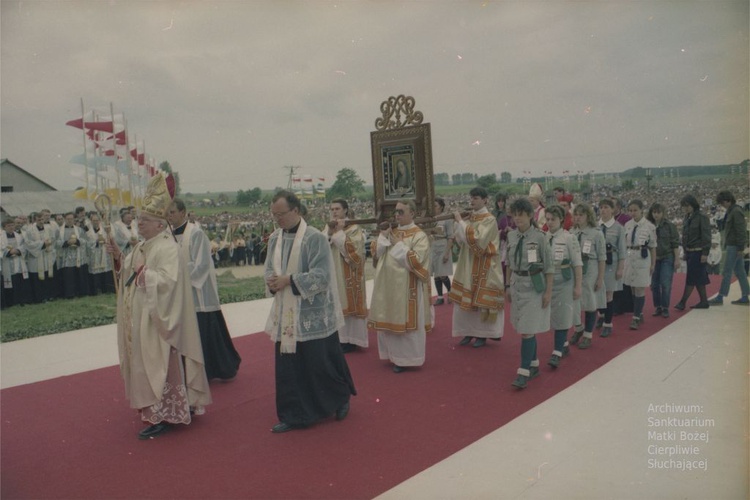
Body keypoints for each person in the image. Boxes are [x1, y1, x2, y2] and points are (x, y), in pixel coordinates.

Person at [109, 173, 211, 440]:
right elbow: (129, 272)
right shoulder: (145, 244)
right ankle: (157, 409)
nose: (138, 224)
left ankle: (167, 411)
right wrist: (120, 259)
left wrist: (146, 276)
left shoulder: (167, 248)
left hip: (160, 320)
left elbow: (169, 283)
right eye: (139, 219)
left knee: (161, 363)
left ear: (158, 224)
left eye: (144, 220)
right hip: (144, 317)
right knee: (147, 363)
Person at [264, 190, 356, 433]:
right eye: (274, 215)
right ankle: (294, 414)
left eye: (281, 214)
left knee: (319, 363)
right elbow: (268, 269)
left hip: (313, 313)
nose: (277, 220)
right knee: (288, 365)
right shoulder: (275, 238)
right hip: (287, 312)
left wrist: (289, 280)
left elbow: (323, 276)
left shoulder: (313, 238)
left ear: (296, 211)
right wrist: (272, 281)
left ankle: (339, 398)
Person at [168, 198, 242, 381]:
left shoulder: (195, 233)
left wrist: (179, 277)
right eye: (167, 213)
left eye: (172, 212)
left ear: (183, 213)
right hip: (178, 292)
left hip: (197, 293)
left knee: (204, 332)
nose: (169, 216)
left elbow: (201, 264)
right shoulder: (168, 235)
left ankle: (213, 370)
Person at [368, 200, 432, 373]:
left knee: (405, 324)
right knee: (389, 318)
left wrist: (398, 244)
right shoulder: (391, 232)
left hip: (406, 288)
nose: (397, 215)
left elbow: (417, 262)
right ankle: (392, 355)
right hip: (387, 286)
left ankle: (407, 359)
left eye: (401, 212)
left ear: (413, 214)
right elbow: (376, 253)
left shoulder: (419, 236)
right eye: (396, 212)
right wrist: (383, 236)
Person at [506, 198, 553, 389]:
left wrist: (548, 292)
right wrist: (508, 286)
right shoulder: (511, 236)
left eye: (522, 215)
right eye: (515, 215)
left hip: (534, 286)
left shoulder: (540, 238)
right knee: (526, 327)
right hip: (517, 284)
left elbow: (549, 267)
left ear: (531, 216)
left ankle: (523, 372)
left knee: (526, 330)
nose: (518, 219)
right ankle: (533, 365)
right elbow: (508, 263)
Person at [449, 187, 504, 348]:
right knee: (466, 299)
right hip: (468, 263)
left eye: (476, 198)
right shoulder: (471, 217)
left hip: (485, 264)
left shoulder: (489, 219)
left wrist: (460, 222)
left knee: (482, 301)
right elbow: (461, 240)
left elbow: (479, 242)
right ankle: (469, 331)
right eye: (471, 197)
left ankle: (483, 334)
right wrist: (459, 225)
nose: (472, 201)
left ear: (485, 200)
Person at [327, 198, 369, 353]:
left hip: (349, 275)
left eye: (337, 209)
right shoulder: (328, 227)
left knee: (349, 305)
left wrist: (338, 234)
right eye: (332, 209)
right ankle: (339, 338)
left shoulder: (353, 229)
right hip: (333, 274)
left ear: (345, 210)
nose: (334, 212)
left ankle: (352, 340)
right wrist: (329, 234)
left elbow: (355, 255)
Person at [544, 205, 582, 366]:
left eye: (553, 219)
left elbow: (577, 263)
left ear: (561, 219)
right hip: (548, 282)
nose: (550, 222)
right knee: (552, 316)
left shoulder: (569, 238)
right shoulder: (543, 237)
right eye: (547, 219)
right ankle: (564, 344)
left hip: (564, 281)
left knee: (563, 315)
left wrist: (578, 286)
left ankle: (557, 351)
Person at [569, 203, 606, 350]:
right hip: (574, 271)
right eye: (576, 214)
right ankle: (578, 329)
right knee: (574, 303)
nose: (578, 217)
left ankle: (588, 334)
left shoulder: (596, 233)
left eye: (581, 215)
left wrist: (600, 278)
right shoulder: (571, 233)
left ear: (588, 216)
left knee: (590, 303)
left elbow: (602, 257)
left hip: (590, 269)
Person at [708, 191, 749, 305]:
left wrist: (741, 247)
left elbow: (741, 231)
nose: (722, 205)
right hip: (734, 245)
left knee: (727, 271)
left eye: (722, 202)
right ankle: (745, 296)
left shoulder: (735, 212)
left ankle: (720, 297)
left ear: (728, 200)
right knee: (740, 271)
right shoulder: (733, 211)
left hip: (735, 246)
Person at [622, 200, 657, 329]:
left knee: (639, 287)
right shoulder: (627, 225)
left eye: (635, 210)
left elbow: (653, 246)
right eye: (630, 210)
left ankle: (635, 317)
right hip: (630, 256)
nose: (632, 213)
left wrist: (653, 264)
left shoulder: (649, 226)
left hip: (642, 256)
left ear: (642, 210)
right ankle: (639, 312)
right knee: (632, 286)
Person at [674, 194, 712, 310]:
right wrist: (685, 251)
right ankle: (704, 301)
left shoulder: (702, 217)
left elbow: (706, 236)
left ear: (693, 205)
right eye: (683, 206)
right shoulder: (687, 217)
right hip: (690, 252)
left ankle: (682, 302)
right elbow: (685, 236)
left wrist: (705, 253)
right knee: (698, 278)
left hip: (698, 251)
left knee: (691, 278)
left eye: (687, 206)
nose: (685, 208)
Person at [595, 199, 627, 337]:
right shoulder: (595, 226)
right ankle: (601, 315)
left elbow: (622, 250)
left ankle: (608, 324)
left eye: (606, 207)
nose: (603, 210)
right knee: (597, 292)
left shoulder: (618, 227)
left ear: (612, 210)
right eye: (601, 207)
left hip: (611, 263)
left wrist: (620, 268)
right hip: (596, 263)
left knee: (608, 294)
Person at [646, 203, 680, 317]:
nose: (656, 215)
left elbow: (675, 243)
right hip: (653, 258)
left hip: (667, 256)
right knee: (654, 284)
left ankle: (665, 307)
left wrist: (677, 259)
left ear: (663, 213)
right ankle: (658, 306)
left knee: (665, 283)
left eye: (658, 212)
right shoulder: (648, 225)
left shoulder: (670, 226)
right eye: (654, 212)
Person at [23, 212, 57, 303]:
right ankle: (39, 298)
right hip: (36, 258)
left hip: (47, 256)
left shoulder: (49, 228)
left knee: (47, 277)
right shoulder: (30, 230)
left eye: (42, 219)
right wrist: (42, 244)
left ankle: (49, 295)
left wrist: (49, 245)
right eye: (39, 220)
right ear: (35, 220)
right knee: (38, 279)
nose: (41, 221)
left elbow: (53, 239)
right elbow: (28, 244)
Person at [56, 212, 90, 298]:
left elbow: (85, 240)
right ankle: (69, 294)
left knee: (79, 275)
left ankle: (80, 292)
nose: (70, 221)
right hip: (66, 257)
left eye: (71, 219)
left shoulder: (79, 229)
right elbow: (56, 242)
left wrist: (77, 241)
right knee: (69, 276)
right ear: (64, 219)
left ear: (74, 219)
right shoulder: (59, 230)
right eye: (68, 219)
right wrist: (67, 242)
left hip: (78, 256)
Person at [1, 217, 32, 308]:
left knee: (19, 281)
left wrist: (18, 251)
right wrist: (9, 252)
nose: (11, 227)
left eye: (12, 225)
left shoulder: (19, 236)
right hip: (7, 262)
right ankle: (11, 302)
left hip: (18, 261)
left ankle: (20, 300)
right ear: (4, 227)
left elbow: (24, 246)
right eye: (8, 226)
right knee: (9, 282)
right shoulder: (1, 237)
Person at [431, 197, 454, 306]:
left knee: (442, 274)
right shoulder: (430, 219)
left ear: (441, 207)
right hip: (433, 246)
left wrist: (447, 252)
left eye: (435, 206)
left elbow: (450, 237)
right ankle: (440, 297)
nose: (433, 208)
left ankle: (450, 292)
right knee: (436, 274)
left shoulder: (446, 219)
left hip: (442, 245)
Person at [86, 213, 115, 295]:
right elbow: (87, 244)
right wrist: (96, 242)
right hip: (94, 254)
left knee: (106, 271)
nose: (96, 222)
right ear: (91, 221)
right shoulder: (88, 232)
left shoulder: (104, 230)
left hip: (104, 253)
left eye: (97, 220)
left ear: (99, 221)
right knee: (95, 272)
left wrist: (105, 241)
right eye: (94, 220)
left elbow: (111, 238)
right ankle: (96, 290)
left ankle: (106, 289)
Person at [494, 192, 515, 288]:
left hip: (513, 243)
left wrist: (512, 231)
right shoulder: (503, 219)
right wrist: (503, 231)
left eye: (510, 210)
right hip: (504, 244)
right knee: (503, 264)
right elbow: (498, 231)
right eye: (507, 210)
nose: (508, 211)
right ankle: (504, 283)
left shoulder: (516, 219)